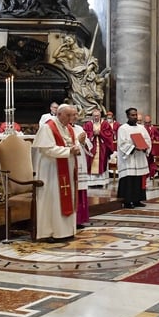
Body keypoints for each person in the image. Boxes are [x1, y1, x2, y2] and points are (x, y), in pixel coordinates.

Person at [32, 103, 82, 242]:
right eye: (68, 115)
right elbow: (46, 149)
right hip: (51, 170)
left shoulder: (69, 128)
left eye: (73, 115)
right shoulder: (47, 127)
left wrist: (77, 147)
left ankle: (66, 231)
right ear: (59, 114)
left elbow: (74, 143)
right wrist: (69, 151)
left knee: (66, 197)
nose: (71, 118)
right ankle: (50, 232)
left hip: (67, 167)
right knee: (52, 200)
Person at [117, 107, 151, 208]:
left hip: (139, 158)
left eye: (136, 115)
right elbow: (122, 143)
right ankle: (127, 201)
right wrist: (133, 147)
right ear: (127, 116)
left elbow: (147, 140)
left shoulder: (141, 128)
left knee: (138, 180)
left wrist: (145, 147)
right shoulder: (123, 128)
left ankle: (137, 200)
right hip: (129, 160)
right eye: (132, 115)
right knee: (129, 180)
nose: (135, 117)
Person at [83, 108, 115, 187]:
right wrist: (93, 133)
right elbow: (84, 133)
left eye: (97, 116)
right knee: (90, 162)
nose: (96, 117)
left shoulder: (105, 123)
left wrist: (100, 133)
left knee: (102, 162)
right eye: (94, 116)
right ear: (92, 116)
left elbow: (109, 134)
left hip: (102, 147)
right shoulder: (88, 124)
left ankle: (101, 182)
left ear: (100, 115)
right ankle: (91, 182)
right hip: (91, 147)